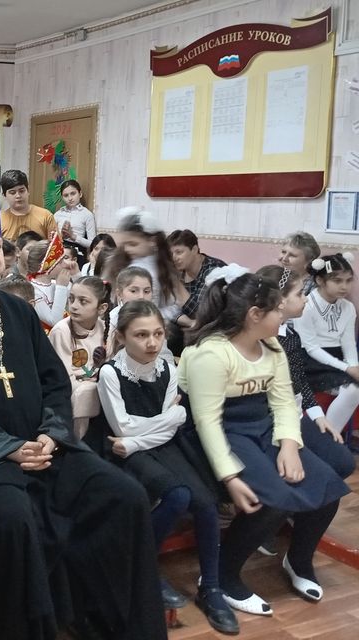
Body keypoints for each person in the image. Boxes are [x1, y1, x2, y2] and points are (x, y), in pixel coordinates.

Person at [0, 198, 165, 639]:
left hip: (44, 448)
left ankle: (103, 620)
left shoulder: (18, 312)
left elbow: (54, 383)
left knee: (125, 496)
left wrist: (51, 433)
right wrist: (7, 448)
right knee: (13, 520)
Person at [179, 267, 349, 615]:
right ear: (255, 315)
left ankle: (298, 561)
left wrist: (289, 445)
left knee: (327, 487)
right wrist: (229, 476)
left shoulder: (272, 347)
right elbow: (207, 422)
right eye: (277, 309)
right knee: (270, 500)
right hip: (223, 431)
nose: (282, 314)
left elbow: (284, 402)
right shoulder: (211, 354)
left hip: (263, 426)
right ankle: (222, 576)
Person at [98, 301, 238, 634]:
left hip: (148, 446)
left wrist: (141, 435)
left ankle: (211, 587)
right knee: (177, 496)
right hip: (126, 454)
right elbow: (123, 426)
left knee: (205, 502)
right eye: (141, 335)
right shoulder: (110, 373)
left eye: (158, 334)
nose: (152, 342)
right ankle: (143, 566)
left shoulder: (168, 367)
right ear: (121, 337)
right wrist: (166, 419)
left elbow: (165, 428)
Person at [255, 264, 356, 558]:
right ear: (280, 301)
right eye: (300, 293)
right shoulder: (260, 339)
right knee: (309, 468)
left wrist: (319, 417)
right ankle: (265, 522)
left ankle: (296, 512)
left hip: (294, 415)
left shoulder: (290, 335)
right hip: (271, 421)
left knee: (342, 461)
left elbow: (299, 382)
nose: (306, 298)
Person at [294, 253, 359, 438]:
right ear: (320, 280)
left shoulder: (348, 307)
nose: (344, 286)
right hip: (310, 360)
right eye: (337, 281)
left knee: (354, 387)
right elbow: (311, 348)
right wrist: (347, 368)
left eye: (348, 280)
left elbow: (348, 342)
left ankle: (329, 438)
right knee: (353, 389)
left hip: (337, 359)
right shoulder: (307, 306)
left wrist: (354, 365)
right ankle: (328, 438)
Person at [47, 276, 111, 440]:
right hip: (70, 392)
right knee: (85, 392)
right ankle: (75, 442)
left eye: (83, 301)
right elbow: (62, 379)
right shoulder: (62, 331)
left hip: (98, 386)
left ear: (102, 308)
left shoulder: (106, 328)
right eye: (71, 299)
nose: (74, 306)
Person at [104, 206, 186, 322]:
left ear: (152, 241)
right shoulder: (126, 263)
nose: (127, 249)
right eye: (124, 244)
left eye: (133, 244)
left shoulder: (160, 266)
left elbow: (170, 304)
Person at [168, 229, 226, 329]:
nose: (174, 258)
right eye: (171, 254)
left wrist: (175, 283)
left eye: (179, 252)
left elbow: (201, 314)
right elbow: (167, 306)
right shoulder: (179, 268)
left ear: (194, 250)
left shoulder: (214, 271)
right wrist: (189, 322)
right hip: (189, 324)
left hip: (215, 327)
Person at [26, 238, 78, 330]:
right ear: (46, 266)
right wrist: (61, 287)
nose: (66, 264)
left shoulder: (56, 283)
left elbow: (82, 295)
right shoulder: (33, 291)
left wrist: (76, 275)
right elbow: (54, 321)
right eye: (60, 262)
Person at [0, 169, 56, 242]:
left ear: (28, 191)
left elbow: (56, 246)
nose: (18, 196)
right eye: (12, 192)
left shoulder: (46, 216)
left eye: (21, 191)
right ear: (4, 195)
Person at [52, 179, 96, 251]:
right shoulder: (58, 214)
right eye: (66, 195)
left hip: (77, 251)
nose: (70, 198)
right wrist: (61, 235)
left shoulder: (87, 215)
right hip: (59, 250)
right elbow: (51, 237)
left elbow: (93, 244)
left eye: (73, 193)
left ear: (80, 194)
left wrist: (73, 236)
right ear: (62, 197)